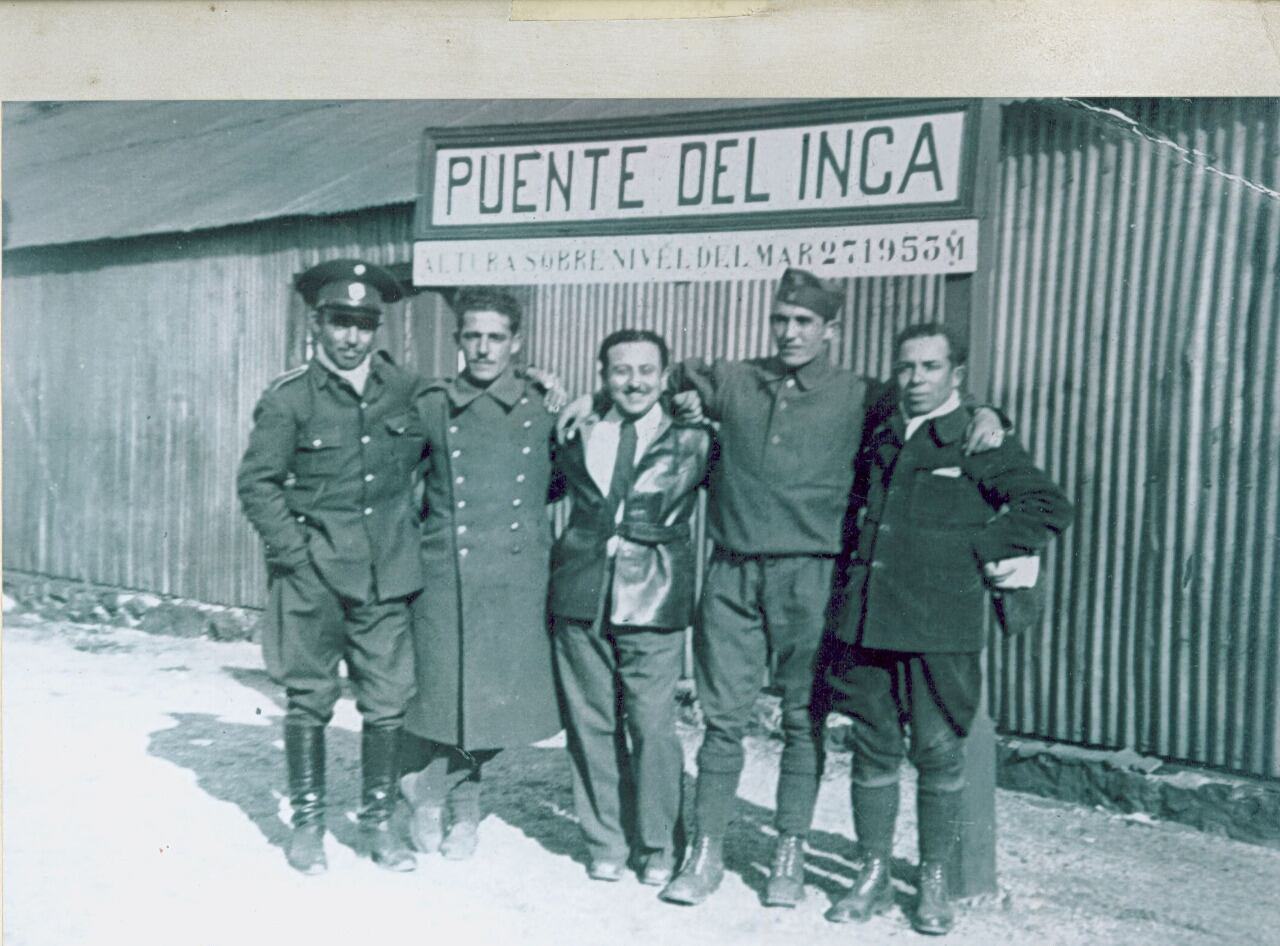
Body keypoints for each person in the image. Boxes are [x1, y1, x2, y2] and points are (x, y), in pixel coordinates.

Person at [557, 268, 1005, 907]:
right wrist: (590, 400)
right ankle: (705, 852)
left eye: (804, 323)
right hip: (733, 574)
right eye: (782, 320)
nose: (790, 332)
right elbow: (648, 381)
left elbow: (930, 403)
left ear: (831, 330)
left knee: (803, 720)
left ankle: (787, 855)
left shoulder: (862, 393)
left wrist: (990, 412)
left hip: (812, 578)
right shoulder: (736, 378)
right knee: (722, 718)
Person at [821, 322, 1073, 935]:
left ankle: (934, 880)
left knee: (937, 751)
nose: (915, 380)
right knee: (872, 747)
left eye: (930, 368)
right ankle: (874, 872)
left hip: (941, 626)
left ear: (956, 375)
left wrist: (973, 549)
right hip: (869, 618)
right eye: (906, 367)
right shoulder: (881, 431)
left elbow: (1047, 505)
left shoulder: (976, 439)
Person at [236, 258, 424, 875]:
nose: (352, 337)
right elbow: (258, 484)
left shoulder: (404, 390)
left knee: (388, 702)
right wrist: (295, 558)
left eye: (365, 324)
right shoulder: (289, 397)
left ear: (378, 329)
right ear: (317, 323)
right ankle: (309, 826)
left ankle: (378, 825)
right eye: (341, 322)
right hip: (314, 577)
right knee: (309, 699)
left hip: (384, 577)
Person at [398, 286, 564, 862]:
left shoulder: (545, 407)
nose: (485, 348)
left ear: (515, 342)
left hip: (516, 578)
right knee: (448, 699)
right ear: (458, 341)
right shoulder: (432, 405)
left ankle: (436, 794)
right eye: (474, 336)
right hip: (447, 574)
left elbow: (558, 480)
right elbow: (402, 478)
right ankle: (452, 809)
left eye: (497, 337)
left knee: (496, 705)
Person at [548, 329, 712, 886]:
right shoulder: (578, 430)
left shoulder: (695, 438)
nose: (634, 381)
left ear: (664, 378)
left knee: (652, 725)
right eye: (621, 371)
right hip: (580, 591)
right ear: (603, 376)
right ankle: (606, 841)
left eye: (646, 370)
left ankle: (659, 843)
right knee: (590, 723)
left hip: (655, 596)